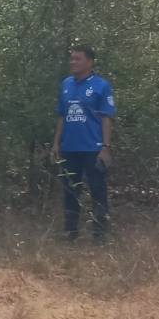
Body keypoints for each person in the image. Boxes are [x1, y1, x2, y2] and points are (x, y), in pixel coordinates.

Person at [51, 45, 117, 241]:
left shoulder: (101, 86)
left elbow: (106, 118)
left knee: (97, 190)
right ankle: (70, 232)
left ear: (89, 62)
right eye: (71, 58)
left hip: (93, 148)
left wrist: (105, 147)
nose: (73, 62)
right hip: (69, 148)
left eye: (77, 59)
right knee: (70, 191)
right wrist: (56, 144)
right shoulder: (66, 84)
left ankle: (100, 234)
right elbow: (62, 116)